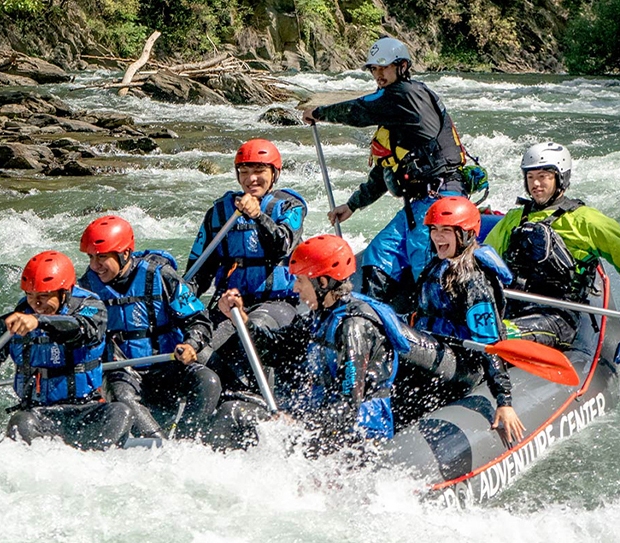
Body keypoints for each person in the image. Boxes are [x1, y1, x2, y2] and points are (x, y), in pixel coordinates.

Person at [209, 234, 413, 454]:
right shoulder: (320, 315)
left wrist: (300, 426)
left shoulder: (353, 328)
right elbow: (277, 350)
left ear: (322, 282)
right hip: (323, 422)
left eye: (301, 280)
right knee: (233, 408)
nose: (295, 289)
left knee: (235, 414)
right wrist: (242, 320)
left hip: (357, 439)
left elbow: (348, 407)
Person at [302, 36, 467, 306]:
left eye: (385, 68)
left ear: (402, 67)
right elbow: (385, 169)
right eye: (374, 69)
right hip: (418, 205)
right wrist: (353, 205)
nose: (379, 74)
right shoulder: (393, 114)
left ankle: (428, 322)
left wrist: (319, 113)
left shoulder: (405, 95)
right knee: (379, 254)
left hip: (442, 198)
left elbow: (359, 109)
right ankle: (374, 321)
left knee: (422, 258)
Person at [0, 251, 132, 450]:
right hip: (39, 415)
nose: (36, 304)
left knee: (121, 411)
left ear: (65, 293)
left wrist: (39, 322)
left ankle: (97, 465)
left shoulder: (91, 310)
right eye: (30, 295)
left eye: (44, 297)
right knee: (21, 422)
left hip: (87, 410)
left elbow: (82, 329)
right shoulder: (12, 324)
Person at [484, 142, 620, 349]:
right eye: (530, 177)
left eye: (543, 176)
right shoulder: (514, 218)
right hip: (512, 306)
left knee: (498, 334)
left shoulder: (586, 220)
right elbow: (484, 259)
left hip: (557, 315)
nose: (536, 184)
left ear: (560, 178)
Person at [392, 197, 526, 444]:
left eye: (446, 231)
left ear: (464, 234)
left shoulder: (474, 281)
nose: (437, 237)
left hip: (464, 363)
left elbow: (489, 345)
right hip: (436, 349)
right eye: (434, 229)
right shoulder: (440, 263)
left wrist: (504, 401)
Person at [78, 215, 221, 439]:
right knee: (123, 398)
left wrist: (191, 344)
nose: (95, 266)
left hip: (169, 364)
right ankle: (158, 444)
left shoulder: (161, 276)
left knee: (207, 381)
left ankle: (188, 442)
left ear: (125, 253)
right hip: (124, 374)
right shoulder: (86, 290)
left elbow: (198, 320)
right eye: (91, 258)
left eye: (102, 257)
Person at [185, 138, 307, 395]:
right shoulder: (220, 212)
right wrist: (181, 311)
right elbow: (198, 273)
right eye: (244, 172)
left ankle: (261, 397)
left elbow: (282, 246)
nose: (251, 179)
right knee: (198, 344)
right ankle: (233, 389)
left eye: (259, 171)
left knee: (255, 329)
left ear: (274, 174)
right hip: (230, 305)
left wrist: (258, 216)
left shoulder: (289, 207)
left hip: (277, 303)